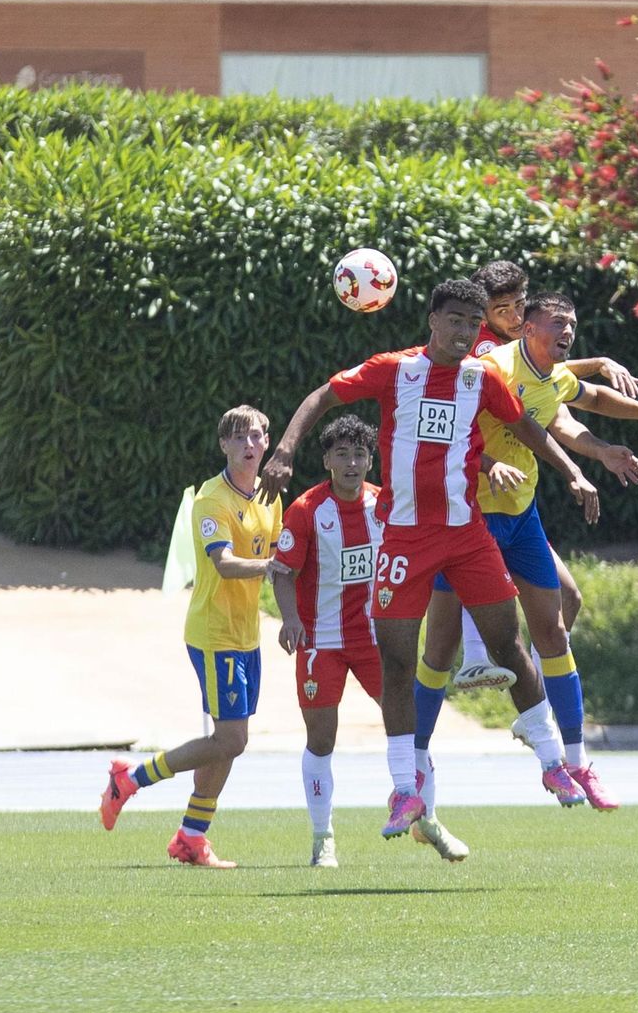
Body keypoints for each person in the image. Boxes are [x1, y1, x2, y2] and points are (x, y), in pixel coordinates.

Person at [258, 278, 600, 853]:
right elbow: (322, 396)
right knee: (398, 661)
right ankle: (403, 790)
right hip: (404, 539)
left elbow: (526, 427)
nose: (467, 332)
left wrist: (571, 472)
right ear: (434, 321)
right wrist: (288, 446)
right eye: (456, 321)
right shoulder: (395, 370)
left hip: (467, 536)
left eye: (474, 322)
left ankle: (550, 759)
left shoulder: (482, 376)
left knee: (507, 646)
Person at [415, 291, 638, 810]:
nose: (568, 331)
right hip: (467, 518)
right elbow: (443, 431)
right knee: (439, 648)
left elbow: (583, 403)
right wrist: (486, 466)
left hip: (519, 519)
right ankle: (410, 771)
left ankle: (577, 760)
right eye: (557, 322)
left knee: (554, 630)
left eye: (573, 323)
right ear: (525, 327)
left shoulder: (552, 377)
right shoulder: (488, 366)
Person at [270, 414, 470, 867]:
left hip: (377, 640)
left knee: (411, 729)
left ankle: (431, 820)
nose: (352, 462)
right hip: (320, 639)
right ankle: (323, 839)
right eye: (341, 454)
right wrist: (289, 619)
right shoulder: (306, 511)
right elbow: (282, 572)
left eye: (359, 454)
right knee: (321, 739)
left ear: (369, 459)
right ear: (326, 461)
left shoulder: (385, 504)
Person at [99, 405, 283, 868]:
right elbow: (224, 563)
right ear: (223, 445)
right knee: (232, 739)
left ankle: (191, 837)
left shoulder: (270, 498)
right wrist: (272, 567)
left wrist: (297, 612)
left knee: (227, 741)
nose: (249, 445)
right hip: (213, 633)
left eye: (257, 436)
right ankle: (131, 778)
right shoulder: (210, 500)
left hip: (247, 634)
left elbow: (280, 560)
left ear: (267, 443)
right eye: (238, 437)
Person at [451, 260, 638, 693]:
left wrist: (604, 375)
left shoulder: (523, 348)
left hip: (516, 500)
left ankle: (536, 684)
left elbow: (557, 394)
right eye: (504, 309)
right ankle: (477, 667)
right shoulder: (484, 354)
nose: (517, 317)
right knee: (450, 629)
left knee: (569, 599)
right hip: (475, 496)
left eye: (521, 304)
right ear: (483, 313)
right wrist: (596, 364)